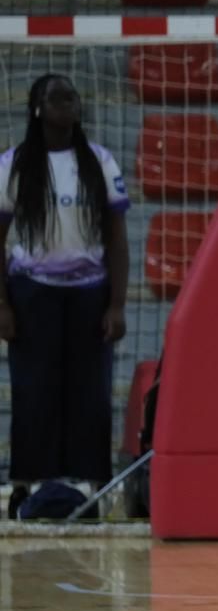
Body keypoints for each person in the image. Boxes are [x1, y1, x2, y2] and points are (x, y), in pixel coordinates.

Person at [0, 74, 129, 517]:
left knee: (90, 395)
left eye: (72, 95)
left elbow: (116, 237)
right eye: (57, 97)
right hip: (31, 292)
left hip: (89, 293)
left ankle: (91, 487)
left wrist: (116, 304)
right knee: (33, 393)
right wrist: (2, 304)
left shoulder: (99, 160)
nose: (68, 102)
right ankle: (24, 487)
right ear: (37, 107)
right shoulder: (14, 164)